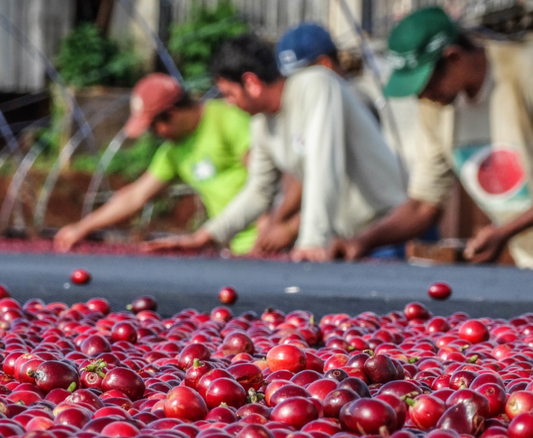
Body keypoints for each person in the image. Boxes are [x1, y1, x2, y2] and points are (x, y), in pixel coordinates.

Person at [169, 33, 406, 262]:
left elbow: (323, 164)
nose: (229, 105)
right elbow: (259, 191)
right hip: (345, 240)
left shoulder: (316, 84)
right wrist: (206, 236)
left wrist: (311, 241)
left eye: (229, 95)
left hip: (386, 234)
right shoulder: (261, 123)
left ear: (251, 83)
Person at [332, 7, 533, 268]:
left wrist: (505, 231)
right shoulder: (435, 106)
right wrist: (362, 241)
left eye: (424, 84)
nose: (421, 96)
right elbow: (423, 204)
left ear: (453, 58)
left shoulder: (523, 72)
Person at [53, 73, 256, 255]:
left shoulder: (227, 119)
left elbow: (265, 181)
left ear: (172, 112)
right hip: (237, 248)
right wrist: (83, 227)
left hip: (268, 241)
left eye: (153, 126)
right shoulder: (173, 152)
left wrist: (270, 228)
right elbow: (135, 195)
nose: (155, 134)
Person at [251, 23, 386, 257]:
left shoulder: (354, 98)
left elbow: (326, 169)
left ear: (324, 65)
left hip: (380, 233)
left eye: (299, 76)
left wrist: (291, 228)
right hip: (346, 234)